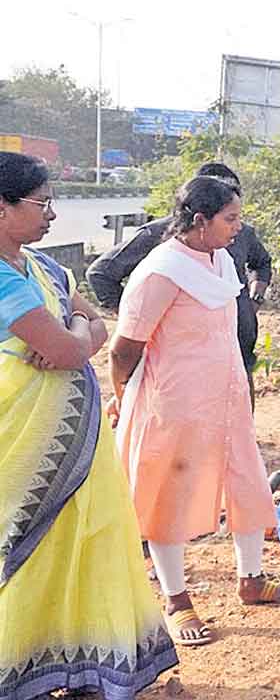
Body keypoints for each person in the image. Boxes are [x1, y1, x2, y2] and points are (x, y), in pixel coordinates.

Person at [0, 152, 178, 698]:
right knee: (17, 550)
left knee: (79, 545)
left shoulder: (47, 270)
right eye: (41, 202)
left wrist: (75, 335)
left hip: (78, 450)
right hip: (18, 449)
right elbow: (70, 346)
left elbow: (96, 327)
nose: (52, 213)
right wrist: (76, 340)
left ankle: (78, 663)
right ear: (2, 208)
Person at [108, 176, 280, 648]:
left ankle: (252, 579)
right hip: (173, 405)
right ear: (200, 221)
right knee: (168, 498)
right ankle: (176, 599)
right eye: (230, 219)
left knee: (247, 484)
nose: (239, 227)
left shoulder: (219, 260)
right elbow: (124, 349)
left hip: (227, 398)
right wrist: (123, 396)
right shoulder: (160, 270)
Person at [88, 162, 273, 399]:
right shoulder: (160, 246)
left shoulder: (237, 237)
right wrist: (140, 317)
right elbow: (101, 274)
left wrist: (253, 300)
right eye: (229, 216)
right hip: (179, 375)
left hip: (237, 351)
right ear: (201, 215)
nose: (235, 225)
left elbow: (262, 263)